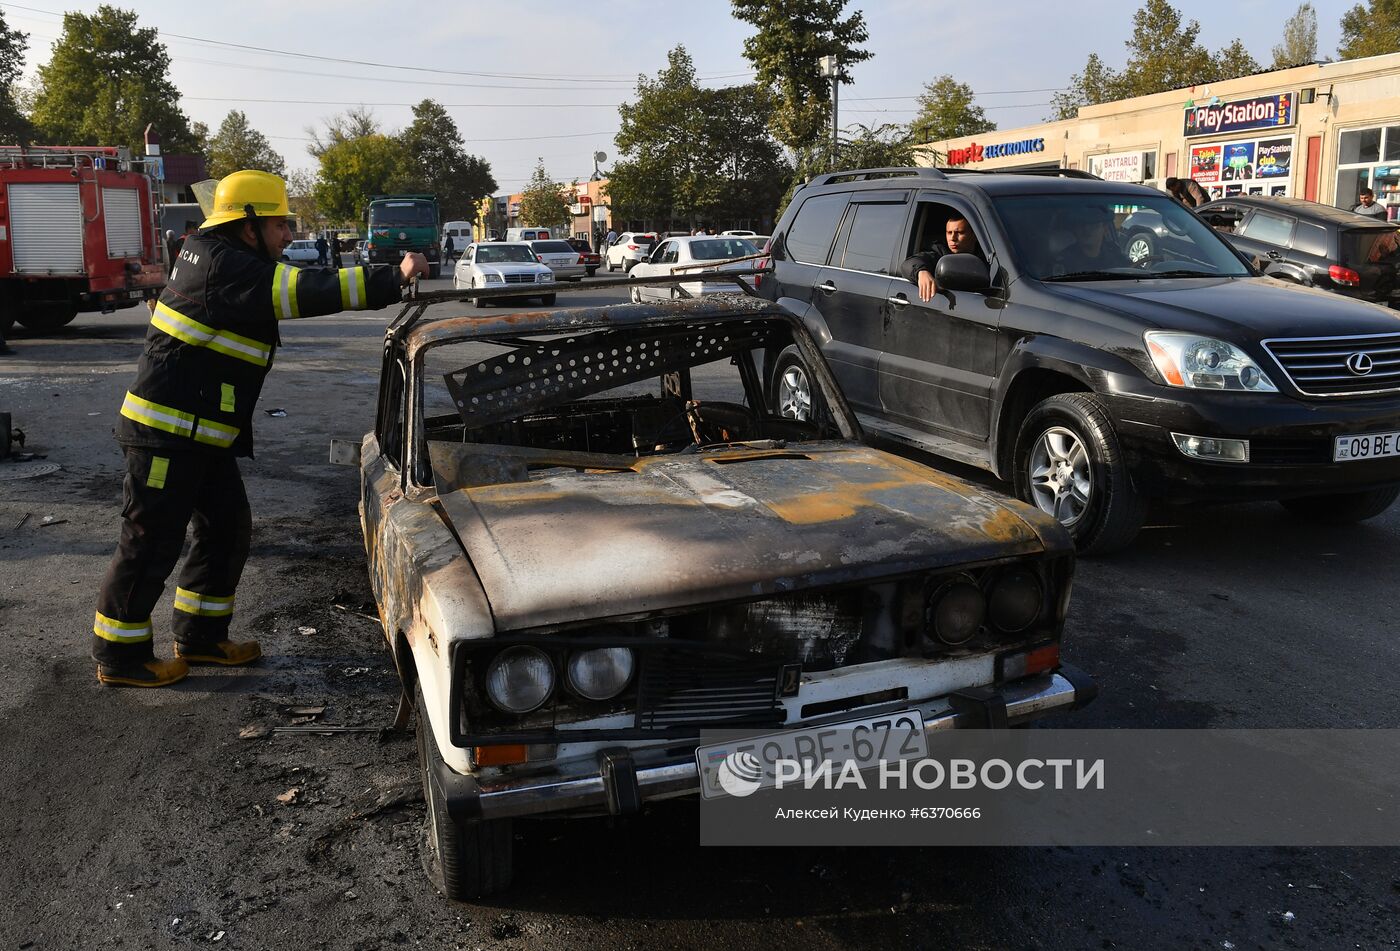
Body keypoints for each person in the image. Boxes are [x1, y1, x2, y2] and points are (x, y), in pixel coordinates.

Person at [90, 170, 428, 687]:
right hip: (166, 435)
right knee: (150, 539)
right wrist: (392, 275)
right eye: (279, 225)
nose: (289, 236)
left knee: (226, 529)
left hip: (200, 434)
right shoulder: (222, 265)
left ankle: (200, 638)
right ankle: (120, 657)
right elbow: (302, 290)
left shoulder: (223, 257)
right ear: (247, 225)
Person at [898, 213, 987, 302]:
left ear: (974, 235)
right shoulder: (939, 252)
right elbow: (909, 263)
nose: (952, 238)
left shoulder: (989, 257)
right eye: (949, 233)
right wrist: (921, 272)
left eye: (959, 233)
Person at [1054, 205, 1131, 273]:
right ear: (1075, 229)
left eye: (1093, 225)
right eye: (1082, 225)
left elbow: (1131, 268)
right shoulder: (1065, 259)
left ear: (1105, 228)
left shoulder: (1113, 250)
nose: (1086, 230)